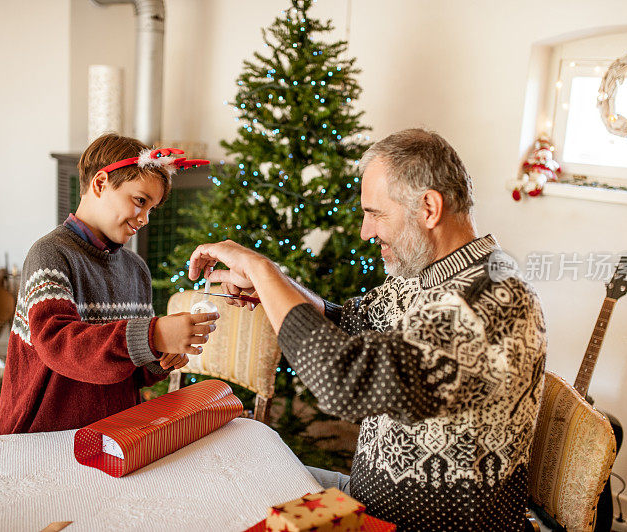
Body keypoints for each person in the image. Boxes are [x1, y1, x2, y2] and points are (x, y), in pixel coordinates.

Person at [188, 129, 546, 531]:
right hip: (369, 499)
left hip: (415, 524)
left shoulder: (488, 299)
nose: (365, 231)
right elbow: (352, 322)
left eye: (376, 213)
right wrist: (274, 289)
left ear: (429, 208)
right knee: (225, 479)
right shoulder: (429, 274)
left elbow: (346, 381)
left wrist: (262, 269)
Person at [0, 133, 218, 435]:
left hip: (116, 432)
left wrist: (160, 356)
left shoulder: (136, 269)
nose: (145, 219)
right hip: (47, 435)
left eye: (152, 209)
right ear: (100, 184)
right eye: (140, 201)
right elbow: (58, 344)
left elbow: (132, 372)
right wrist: (152, 335)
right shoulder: (51, 254)